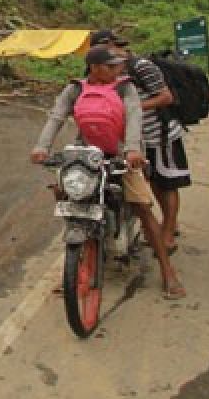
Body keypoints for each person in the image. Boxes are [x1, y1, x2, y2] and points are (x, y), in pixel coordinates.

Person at [30, 45, 186, 300]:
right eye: (112, 66)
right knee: (65, 192)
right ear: (94, 67)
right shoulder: (75, 88)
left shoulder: (126, 87)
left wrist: (134, 150)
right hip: (86, 152)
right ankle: (74, 266)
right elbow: (56, 117)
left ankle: (168, 272)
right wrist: (41, 147)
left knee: (143, 208)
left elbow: (134, 117)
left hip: (124, 152)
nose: (119, 69)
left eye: (119, 65)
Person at [92, 29, 189, 255]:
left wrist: (131, 109)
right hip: (130, 139)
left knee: (167, 184)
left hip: (158, 133)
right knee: (151, 184)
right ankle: (160, 227)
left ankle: (168, 231)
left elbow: (166, 97)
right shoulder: (103, 72)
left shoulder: (141, 66)